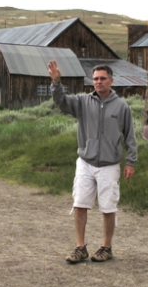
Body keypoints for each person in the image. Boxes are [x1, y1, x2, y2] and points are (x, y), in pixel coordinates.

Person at [48, 60, 137, 264]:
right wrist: (56, 83)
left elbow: (130, 137)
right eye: (95, 79)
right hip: (85, 162)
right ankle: (80, 248)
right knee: (80, 204)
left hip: (109, 164)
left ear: (111, 80)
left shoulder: (122, 107)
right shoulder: (82, 102)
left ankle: (106, 247)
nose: (98, 82)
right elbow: (61, 102)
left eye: (102, 78)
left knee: (108, 207)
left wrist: (131, 161)